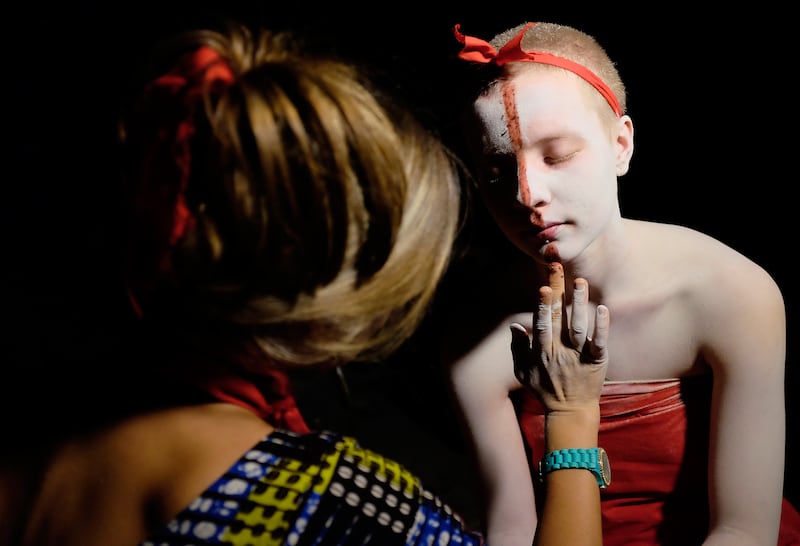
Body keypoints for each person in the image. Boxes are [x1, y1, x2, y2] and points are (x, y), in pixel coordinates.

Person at [0, 21, 607, 546]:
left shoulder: (48, 420)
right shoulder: (331, 505)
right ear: (344, 305)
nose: (530, 197)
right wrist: (573, 419)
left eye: (557, 156)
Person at [442, 20, 800, 546]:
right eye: (497, 171)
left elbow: (744, 529)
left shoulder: (731, 295)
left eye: (558, 154)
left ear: (621, 145)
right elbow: (514, 529)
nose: (527, 194)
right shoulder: (478, 335)